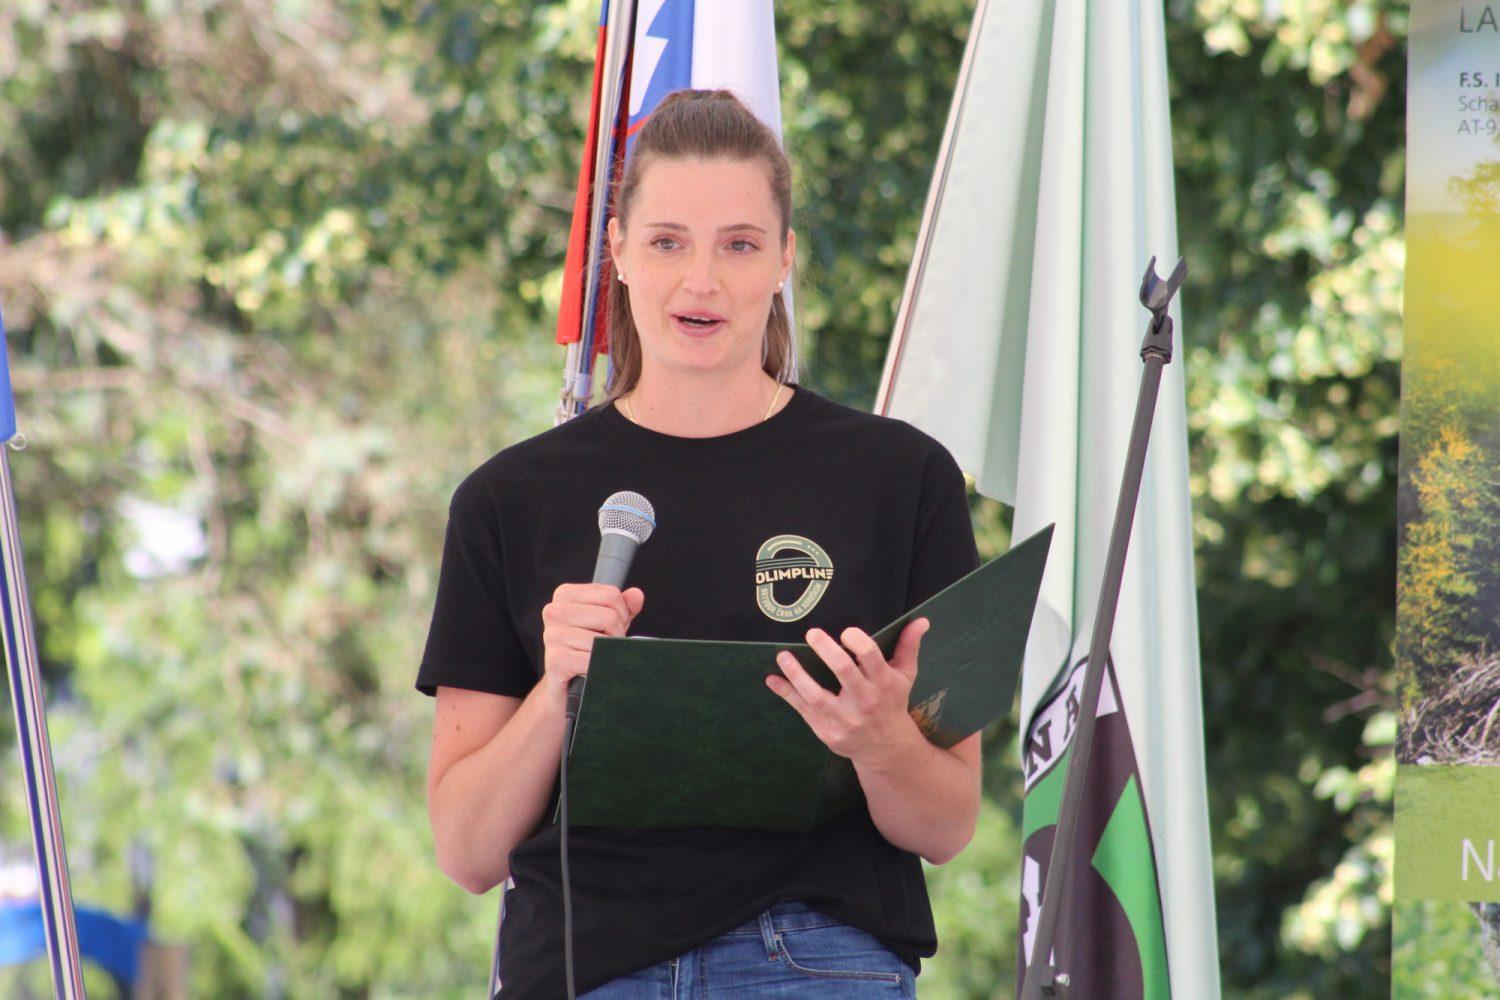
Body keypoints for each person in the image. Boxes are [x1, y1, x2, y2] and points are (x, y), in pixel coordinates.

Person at [417, 88, 982, 998]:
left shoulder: (900, 479)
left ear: (785, 258)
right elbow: (467, 851)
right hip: (584, 964)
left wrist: (881, 741)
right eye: (669, 242)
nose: (702, 281)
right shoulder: (508, 499)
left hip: (813, 960)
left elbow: (948, 826)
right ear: (617, 252)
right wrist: (558, 689)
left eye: (740, 245)